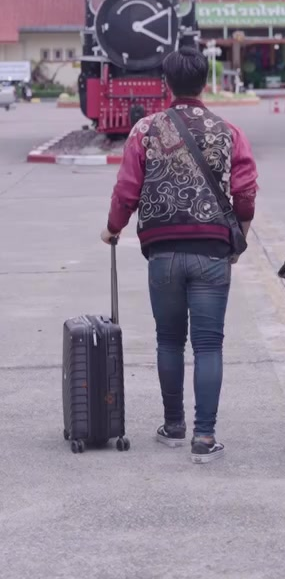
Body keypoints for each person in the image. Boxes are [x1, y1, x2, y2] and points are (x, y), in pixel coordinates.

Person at [102, 47, 257, 463]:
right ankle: (204, 437)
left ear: (167, 83)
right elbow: (244, 193)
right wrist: (239, 238)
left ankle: (173, 426)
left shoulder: (145, 130)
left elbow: (127, 189)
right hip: (212, 250)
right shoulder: (228, 131)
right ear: (204, 82)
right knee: (208, 345)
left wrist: (113, 228)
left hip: (163, 251)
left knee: (169, 340)